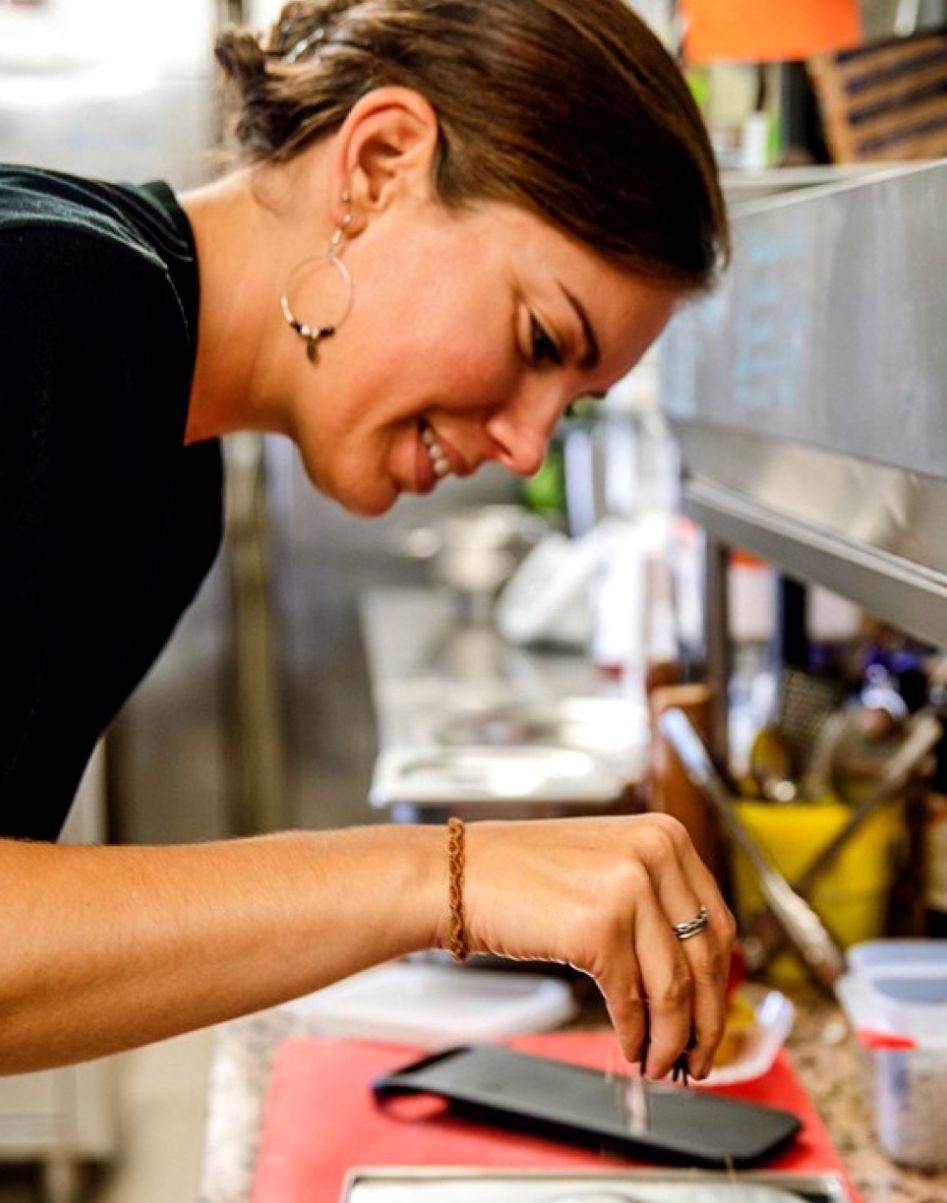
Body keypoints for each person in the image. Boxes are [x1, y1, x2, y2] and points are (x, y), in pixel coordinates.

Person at [0, 0, 736, 1081]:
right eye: (539, 339)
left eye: (572, 404)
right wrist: (448, 876)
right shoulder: (56, 310)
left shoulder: (173, 474)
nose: (530, 448)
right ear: (382, 164)